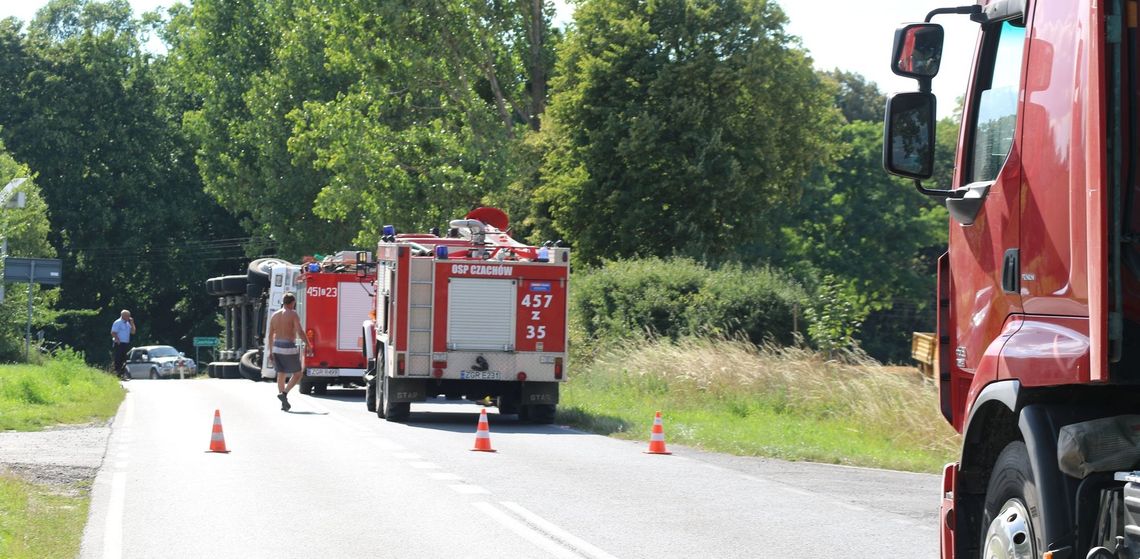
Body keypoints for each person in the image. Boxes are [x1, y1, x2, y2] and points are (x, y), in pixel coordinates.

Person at [267, 293, 313, 411]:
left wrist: (270, 351)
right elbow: (300, 331)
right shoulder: (293, 314)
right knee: (298, 373)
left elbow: (270, 335)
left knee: (281, 374)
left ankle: (283, 402)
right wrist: (308, 344)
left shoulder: (274, 315)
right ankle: (285, 393)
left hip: (276, 346)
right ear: (292, 302)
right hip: (288, 346)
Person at [110, 310, 136, 381]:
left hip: (125, 343)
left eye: (129, 316)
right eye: (127, 316)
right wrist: (117, 340)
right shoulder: (118, 322)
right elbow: (113, 332)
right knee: (118, 359)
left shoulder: (128, 323)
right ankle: (117, 374)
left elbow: (133, 332)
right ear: (123, 316)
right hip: (119, 343)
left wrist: (132, 323)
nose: (129, 317)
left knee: (124, 359)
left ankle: (122, 374)